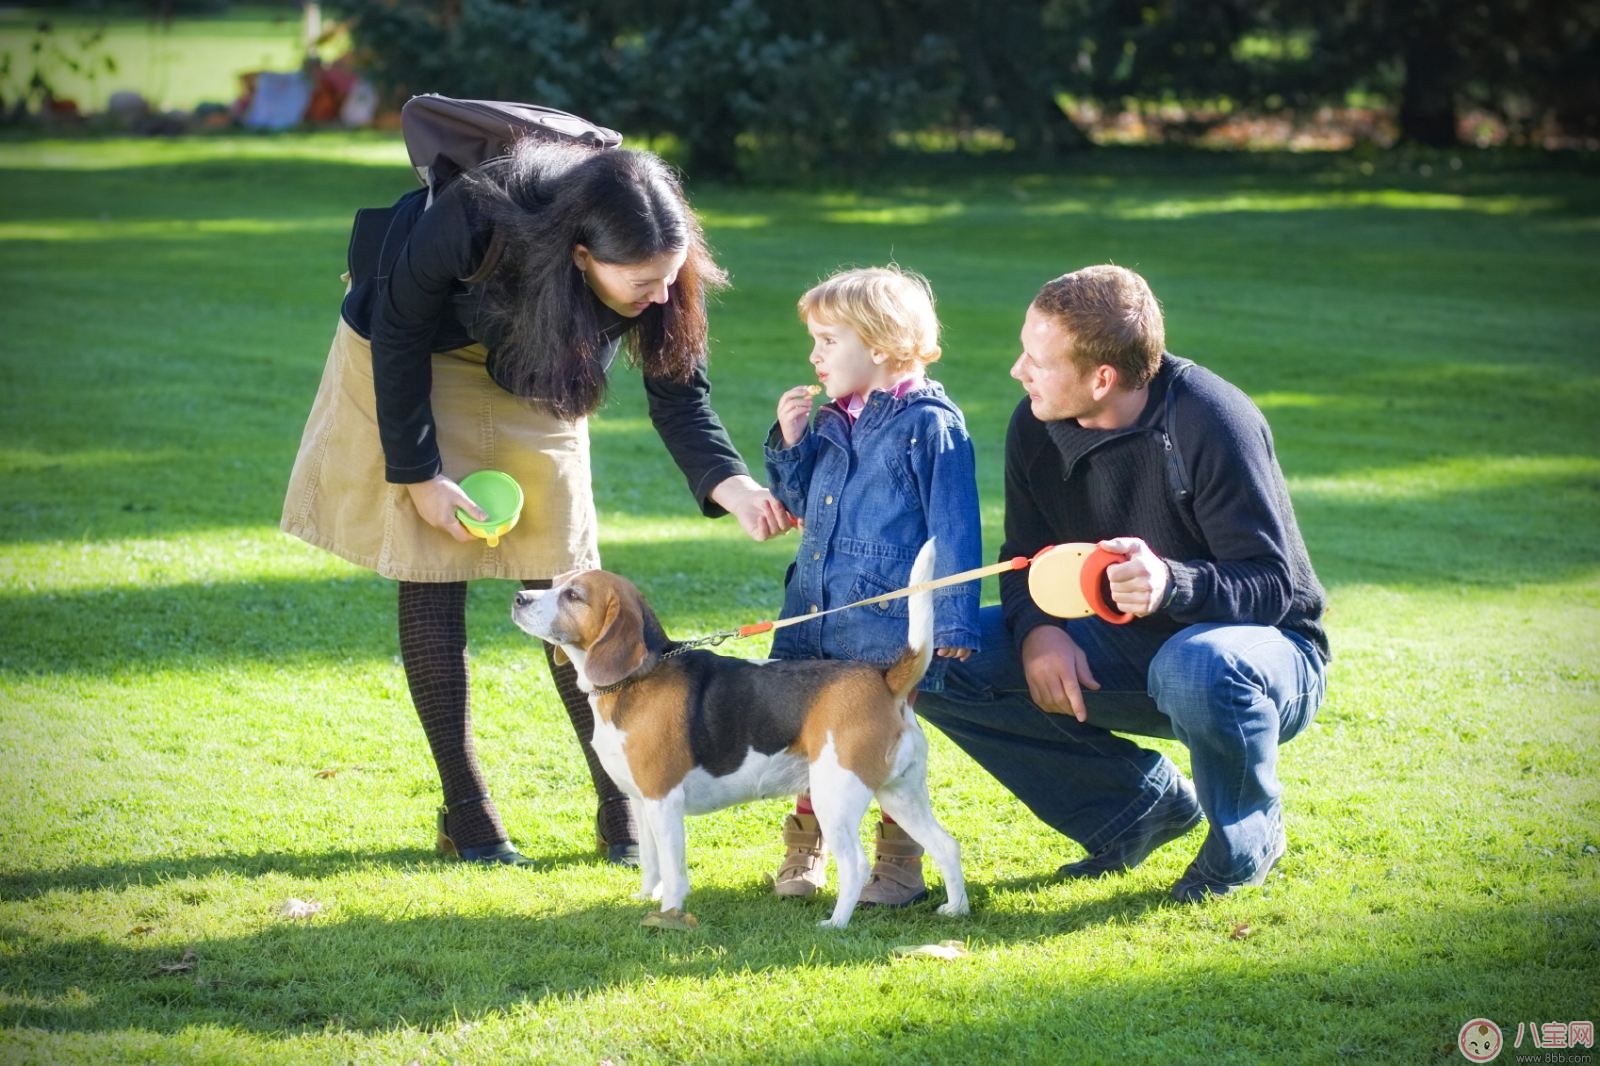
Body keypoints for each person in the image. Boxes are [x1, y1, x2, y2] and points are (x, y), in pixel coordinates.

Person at [281, 140, 791, 867]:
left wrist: (729, 482)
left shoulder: (659, 264)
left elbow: (679, 387)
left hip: (544, 363)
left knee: (566, 578)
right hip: (422, 351)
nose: (661, 291)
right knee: (434, 568)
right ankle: (468, 812)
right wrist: (420, 475)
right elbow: (396, 332)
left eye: (671, 276)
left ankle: (621, 803)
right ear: (580, 254)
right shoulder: (475, 218)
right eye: (643, 280)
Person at [914, 264, 1329, 902]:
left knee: (1196, 664)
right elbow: (1023, 557)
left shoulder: (1212, 419)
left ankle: (1245, 841)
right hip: (1128, 647)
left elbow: (1276, 586)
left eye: (1035, 359)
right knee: (937, 660)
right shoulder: (1036, 424)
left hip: (1263, 659)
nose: (1017, 371)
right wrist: (1039, 634)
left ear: (1101, 378)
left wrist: (1172, 583)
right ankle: (1136, 811)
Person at [762, 265, 982, 907]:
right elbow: (798, 499)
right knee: (812, 741)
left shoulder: (930, 426)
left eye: (828, 340)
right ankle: (806, 847)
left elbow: (955, 530)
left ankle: (898, 860)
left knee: (880, 744)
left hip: (882, 630)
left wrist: (957, 620)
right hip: (814, 615)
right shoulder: (833, 418)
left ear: (880, 346)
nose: (814, 355)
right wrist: (791, 441)